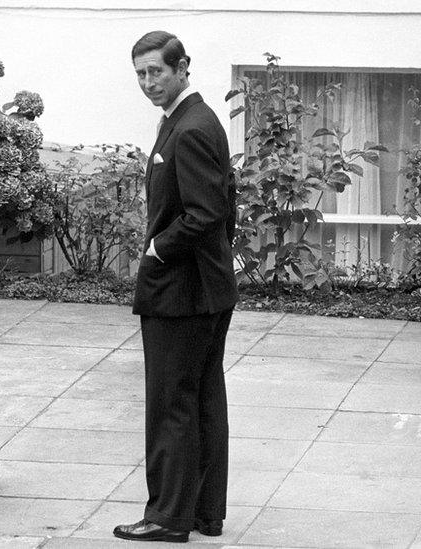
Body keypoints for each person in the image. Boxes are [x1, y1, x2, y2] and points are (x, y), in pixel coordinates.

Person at [113, 31, 238, 543]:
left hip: (183, 292)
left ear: (182, 66)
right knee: (203, 400)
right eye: (140, 74)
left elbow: (206, 213)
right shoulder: (191, 120)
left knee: (172, 405)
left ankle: (166, 517)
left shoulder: (189, 128)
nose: (148, 83)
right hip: (204, 289)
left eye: (156, 72)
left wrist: (159, 249)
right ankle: (203, 514)